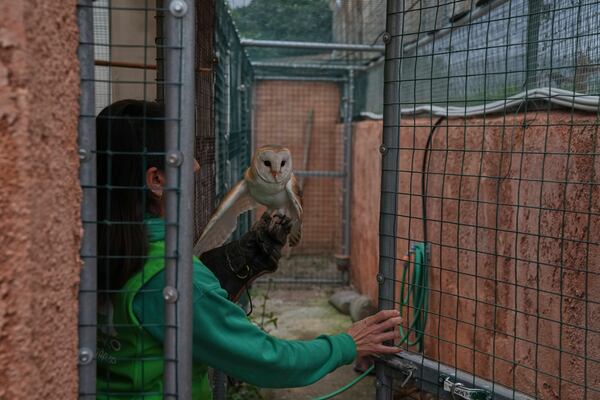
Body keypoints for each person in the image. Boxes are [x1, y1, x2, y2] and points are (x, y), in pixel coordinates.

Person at [95, 99, 401, 399]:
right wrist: (348, 343)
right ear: (157, 179)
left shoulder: (96, 245)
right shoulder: (172, 278)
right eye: (183, 157)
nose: (197, 166)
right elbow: (268, 360)